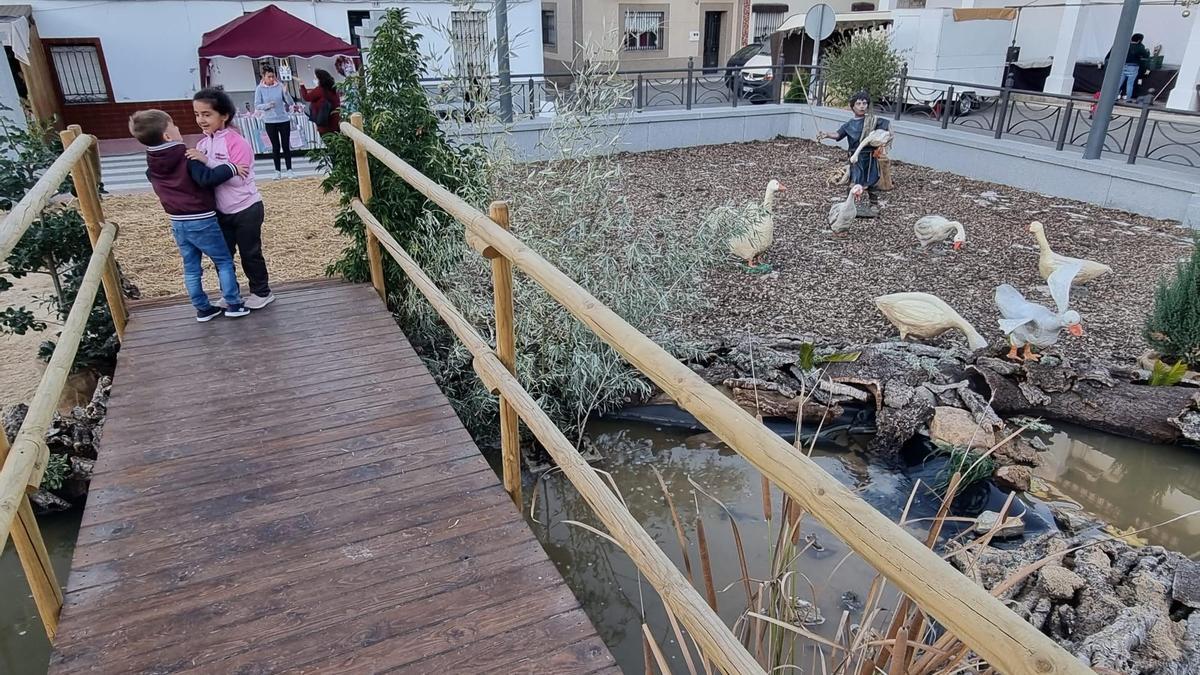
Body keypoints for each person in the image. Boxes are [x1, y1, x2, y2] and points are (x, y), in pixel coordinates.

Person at [128, 109, 250, 322]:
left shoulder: (152, 162)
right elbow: (207, 178)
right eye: (173, 125)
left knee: (191, 267)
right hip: (201, 218)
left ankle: (202, 308)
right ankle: (233, 303)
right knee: (223, 261)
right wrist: (232, 168)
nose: (178, 128)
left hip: (177, 222)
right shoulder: (186, 157)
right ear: (167, 136)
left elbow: (152, 177)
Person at [190, 87, 275, 311]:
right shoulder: (202, 145)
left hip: (246, 207)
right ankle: (230, 294)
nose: (201, 120)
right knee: (223, 256)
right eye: (197, 114)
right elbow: (206, 179)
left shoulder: (237, 143)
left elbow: (239, 180)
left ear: (224, 115)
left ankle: (262, 292)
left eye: (207, 114)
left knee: (250, 253)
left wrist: (208, 163)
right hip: (220, 211)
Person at [816, 90, 890, 218]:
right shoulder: (849, 125)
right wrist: (827, 134)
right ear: (853, 106)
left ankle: (874, 204)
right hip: (856, 158)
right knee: (855, 180)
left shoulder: (873, 121)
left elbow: (887, 128)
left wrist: (888, 136)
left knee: (872, 180)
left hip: (870, 156)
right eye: (859, 103)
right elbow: (838, 135)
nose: (862, 106)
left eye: (864, 103)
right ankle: (849, 205)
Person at [254, 65, 295, 179]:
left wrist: (286, 93)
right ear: (264, 77)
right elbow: (257, 105)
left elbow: (290, 103)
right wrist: (267, 105)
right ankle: (277, 171)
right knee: (275, 146)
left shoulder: (280, 86)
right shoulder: (259, 89)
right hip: (270, 121)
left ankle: (289, 169)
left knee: (286, 145)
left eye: (273, 76)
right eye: (269, 77)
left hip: (283, 119)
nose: (272, 79)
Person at [1105, 33, 1151, 101]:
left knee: (1119, 82)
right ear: (1139, 40)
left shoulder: (1126, 45)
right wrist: (1147, 51)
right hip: (1133, 66)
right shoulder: (1140, 47)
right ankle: (1128, 98)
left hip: (1124, 65)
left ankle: (1114, 96)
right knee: (1130, 84)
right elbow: (1146, 55)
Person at [299, 69, 342, 136]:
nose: (314, 80)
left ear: (320, 79)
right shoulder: (333, 88)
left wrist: (302, 85)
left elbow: (306, 97)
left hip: (325, 124)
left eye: (315, 78)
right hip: (335, 121)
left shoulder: (320, 90)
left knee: (328, 140)